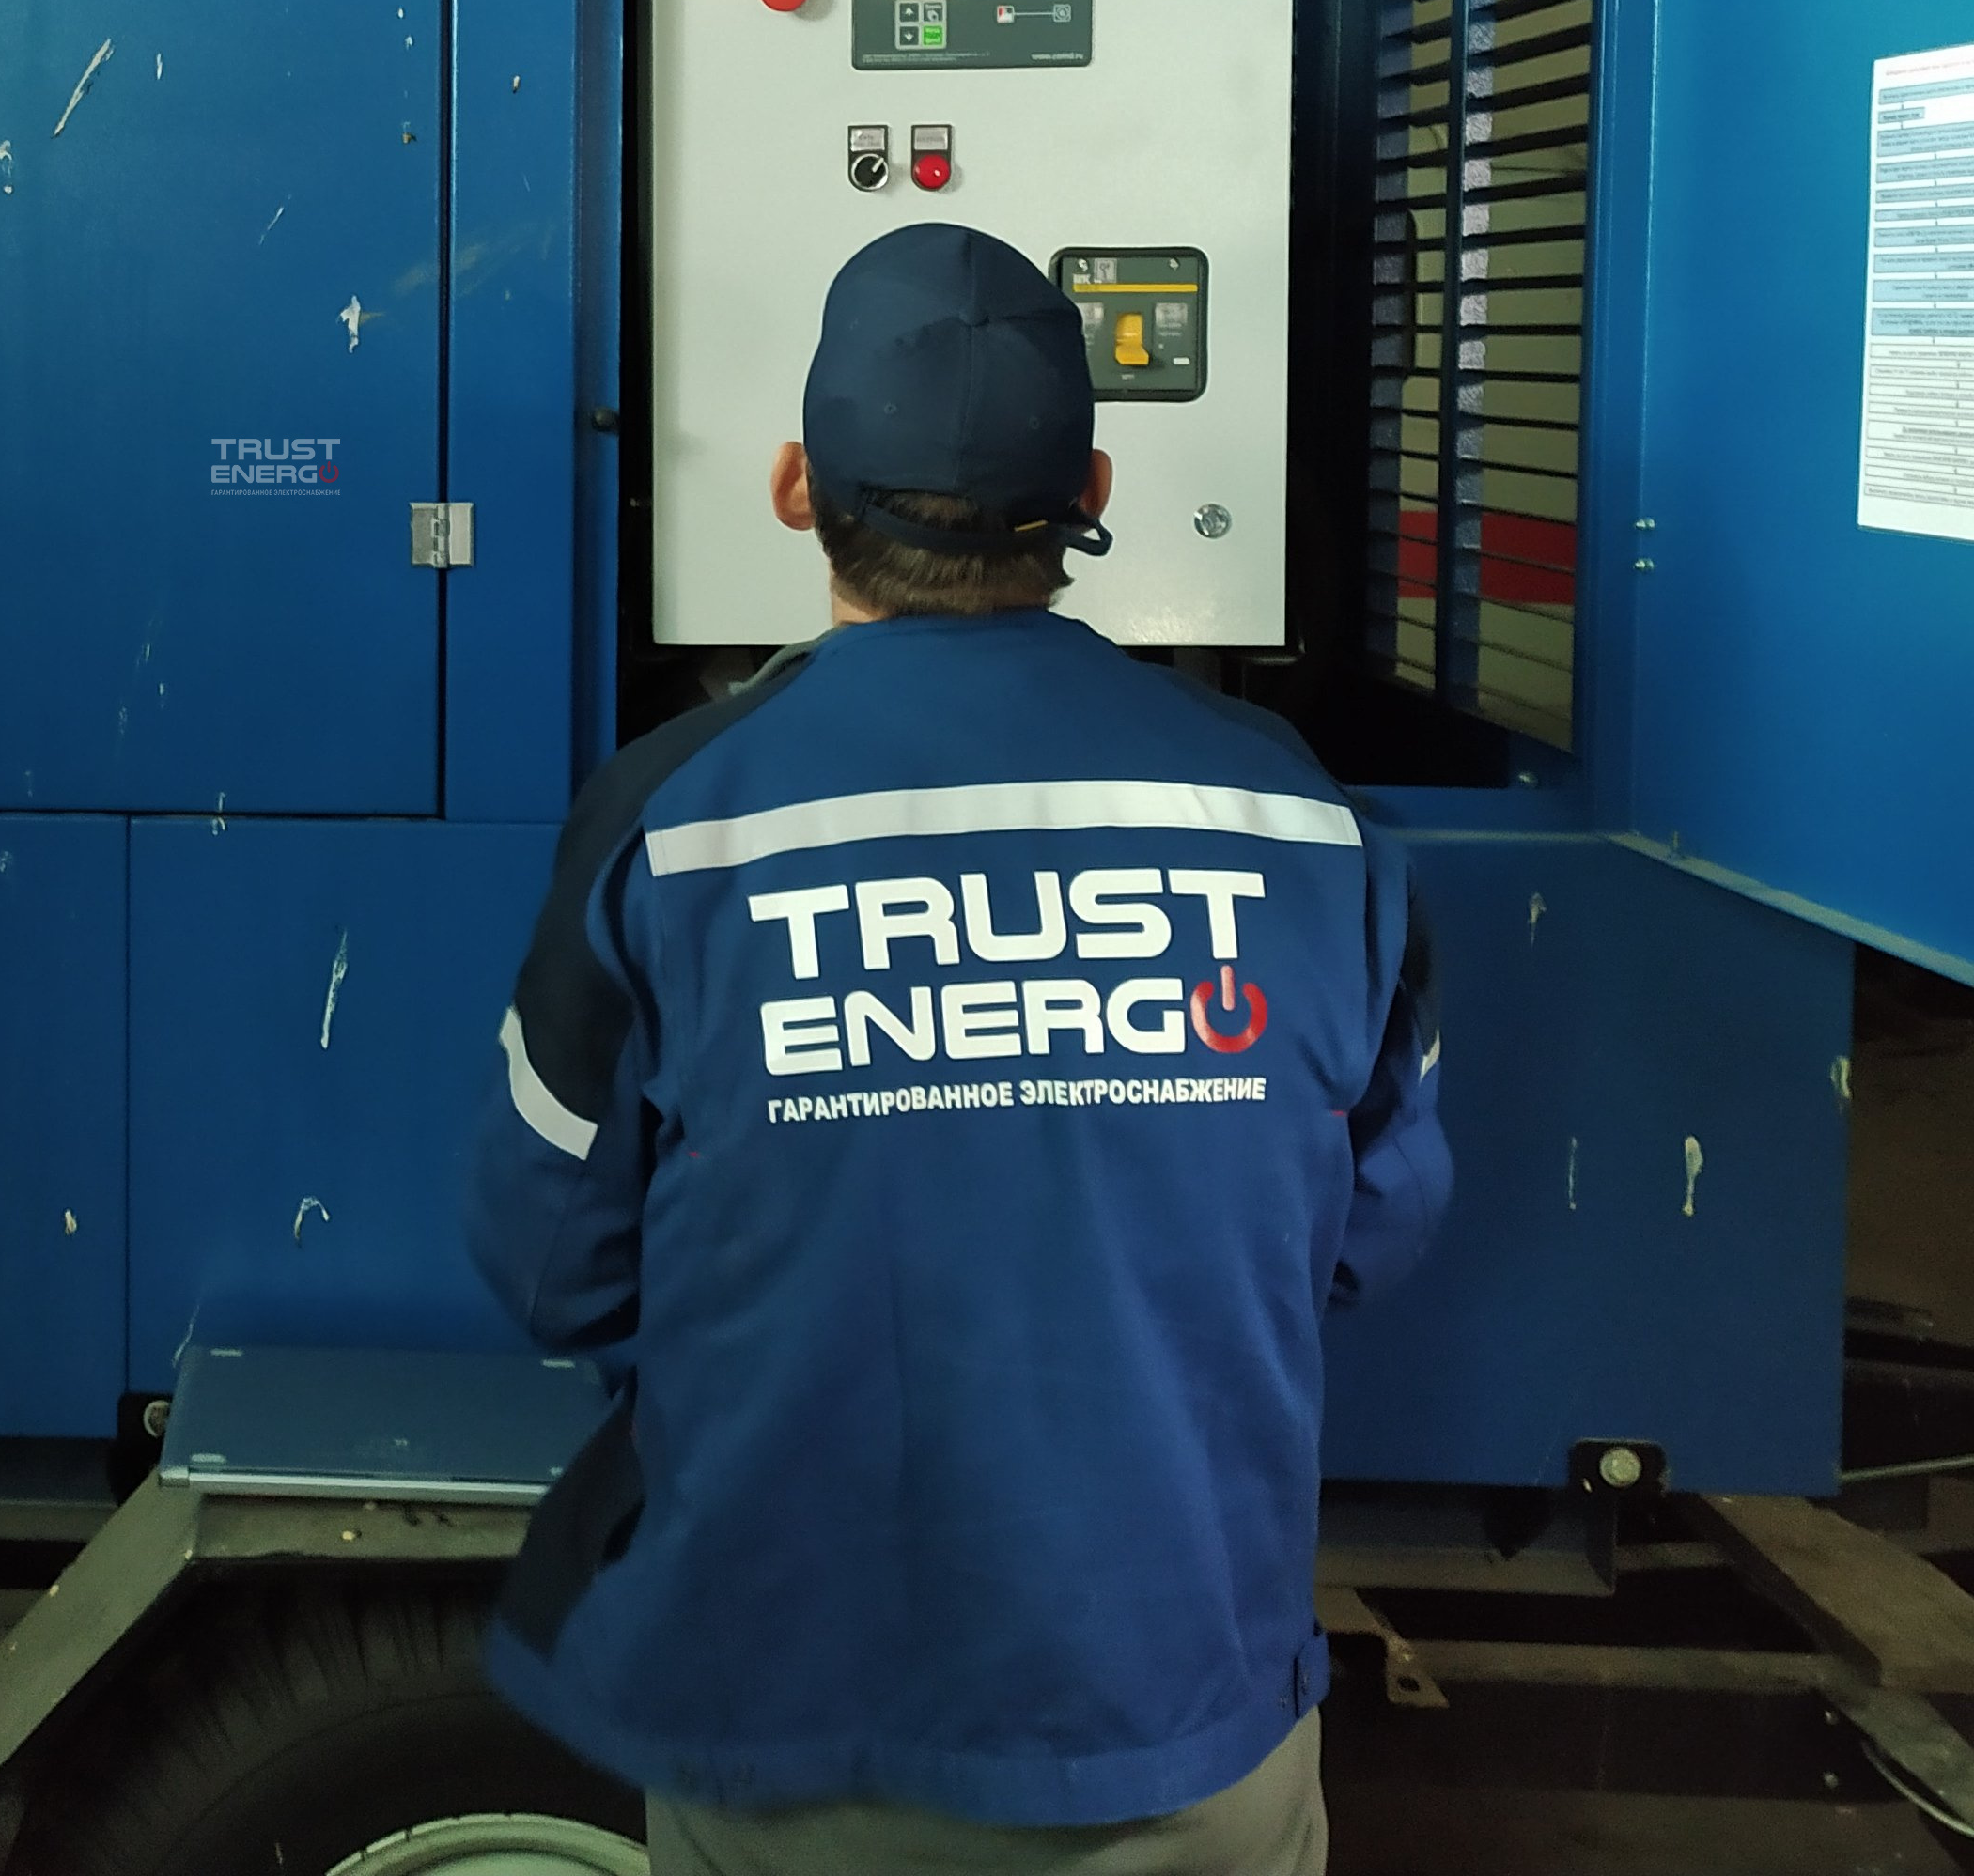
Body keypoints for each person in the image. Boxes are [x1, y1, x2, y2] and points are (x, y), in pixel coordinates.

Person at [466, 223, 1450, 1876]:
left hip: (792, 1736)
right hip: (1183, 1719)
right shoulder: (1302, 821)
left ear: (797, 489)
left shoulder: (673, 822)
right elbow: (1370, 1234)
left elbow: (554, 1262)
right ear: (1091, 493)